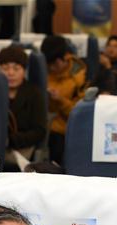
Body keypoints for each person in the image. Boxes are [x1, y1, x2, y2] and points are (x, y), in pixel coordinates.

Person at [0, 45, 47, 169]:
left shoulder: (34, 94)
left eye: (16, 68)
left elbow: (39, 131)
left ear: (24, 71)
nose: (10, 73)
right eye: (5, 68)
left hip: (22, 149)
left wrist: (11, 140)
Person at [42, 35, 88, 165]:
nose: (52, 68)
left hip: (67, 128)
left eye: (55, 64)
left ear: (65, 58)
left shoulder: (80, 76)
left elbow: (81, 114)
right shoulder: (43, 72)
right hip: (47, 126)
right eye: (49, 65)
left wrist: (60, 100)